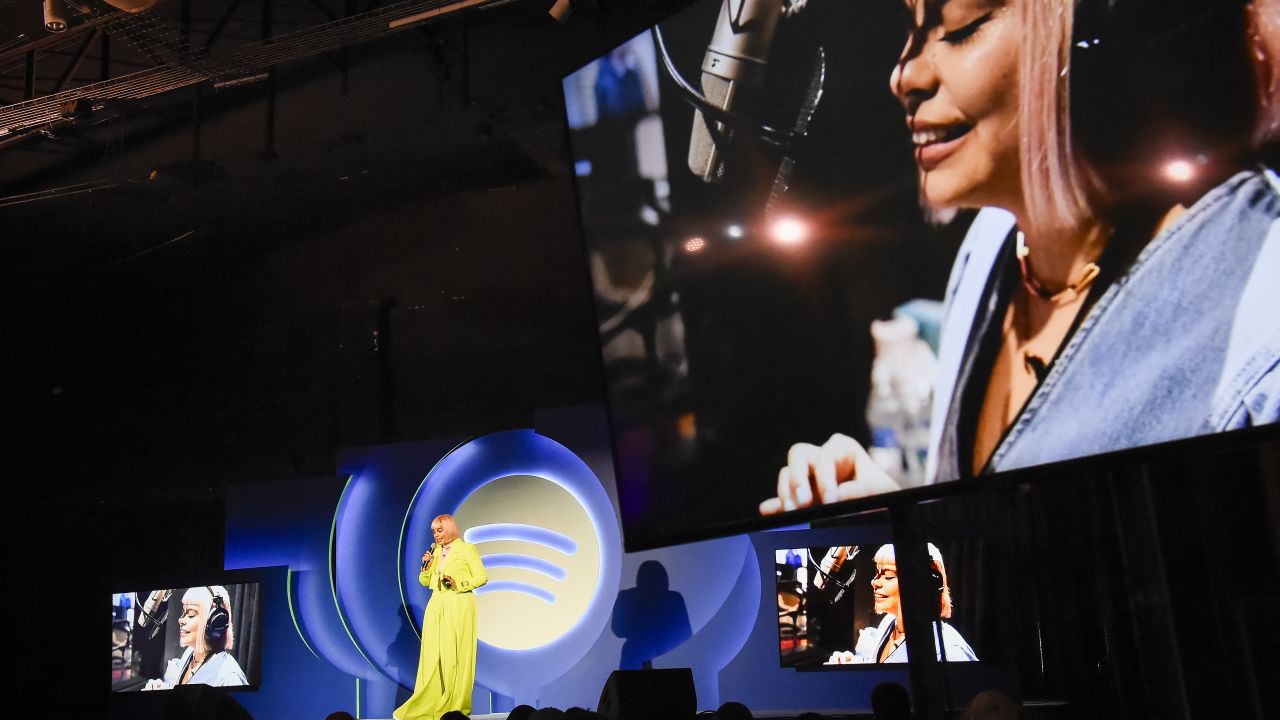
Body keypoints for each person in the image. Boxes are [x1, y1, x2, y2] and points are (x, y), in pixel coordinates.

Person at [760, 0, 1279, 514]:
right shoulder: (991, 244)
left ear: (1096, 34)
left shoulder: (1263, 304)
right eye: (911, 27)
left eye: (960, 28)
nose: (906, 76)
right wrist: (903, 521)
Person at [395, 513, 488, 720]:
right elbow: (425, 581)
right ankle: (431, 701)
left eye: (440, 530)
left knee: (456, 654)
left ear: (450, 529)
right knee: (433, 655)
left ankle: (456, 706)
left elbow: (482, 577)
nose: (437, 535)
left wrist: (460, 584)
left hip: (459, 602)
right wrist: (425, 566)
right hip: (436, 603)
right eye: (434, 531)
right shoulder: (434, 551)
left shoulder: (466, 549)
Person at [863, 544, 976, 663]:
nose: (874, 582)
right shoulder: (888, 622)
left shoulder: (950, 651)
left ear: (924, 584)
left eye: (889, 576)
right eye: (877, 573)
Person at [142, 586, 248, 689]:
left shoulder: (229, 676)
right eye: (183, 612)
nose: (181, 620)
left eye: (191, 614)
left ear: (215, 622)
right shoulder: (189, 654)